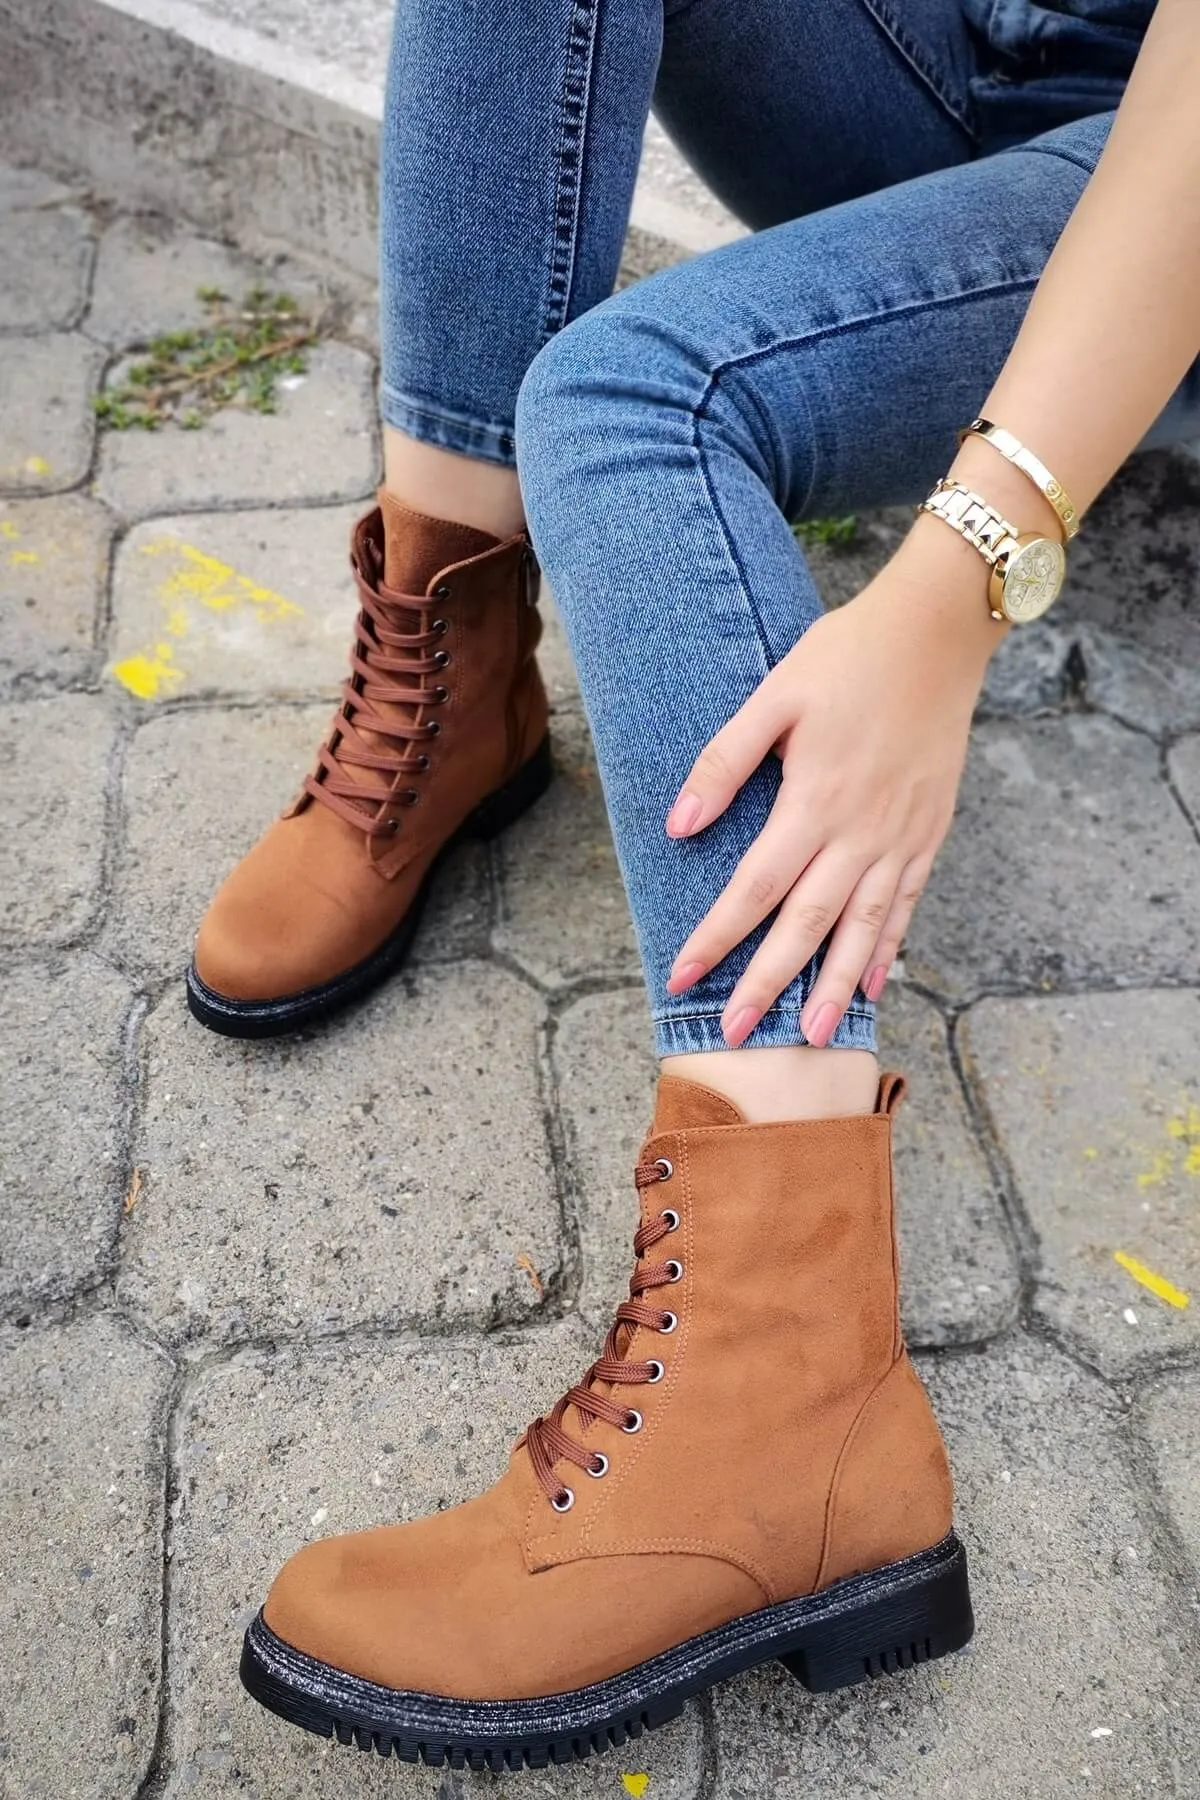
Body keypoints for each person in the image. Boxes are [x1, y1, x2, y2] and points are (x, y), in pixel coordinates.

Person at [207, 0, 1199, 1771]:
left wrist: (949, 594)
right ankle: (455, 675)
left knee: (632, 401)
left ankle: (787, 1389)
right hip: (969, 58)